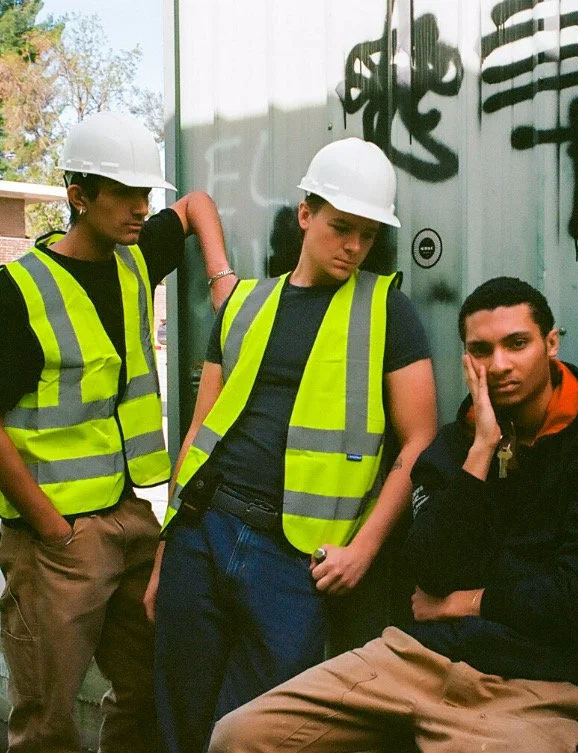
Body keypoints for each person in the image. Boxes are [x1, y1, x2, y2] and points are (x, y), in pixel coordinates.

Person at [207, 276, 578, 753]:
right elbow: (430, 567)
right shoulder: (454, 449)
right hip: (419, 660)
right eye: (482, 350)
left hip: (540, 685)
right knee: (241, 737)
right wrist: (482, 451)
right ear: (466, 360)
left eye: (517, 344)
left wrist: (461, 604)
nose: (500, 364)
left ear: (551, 344)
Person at [147, 137, 438, 753]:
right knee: (179, 716)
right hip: (202, 533)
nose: (354, 246)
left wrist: (362, 551)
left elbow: (420, 444)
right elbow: (199, 434)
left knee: (261, 733)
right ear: (306, 214)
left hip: (293, 560)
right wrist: (164, 551)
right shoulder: (245, 303)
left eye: (367, 233)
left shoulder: (389, 310)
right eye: (341, 227)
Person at [0, 110, 234, 753]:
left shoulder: (133, 260)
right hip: (54, 541)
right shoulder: (18, 292)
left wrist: (221, 283)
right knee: (47, 721)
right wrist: (54, 529)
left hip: (130, 520)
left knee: (144, 694)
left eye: (145, 195)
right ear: (79, 197)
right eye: (126, 194)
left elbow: (195, 206)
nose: (142, 209)